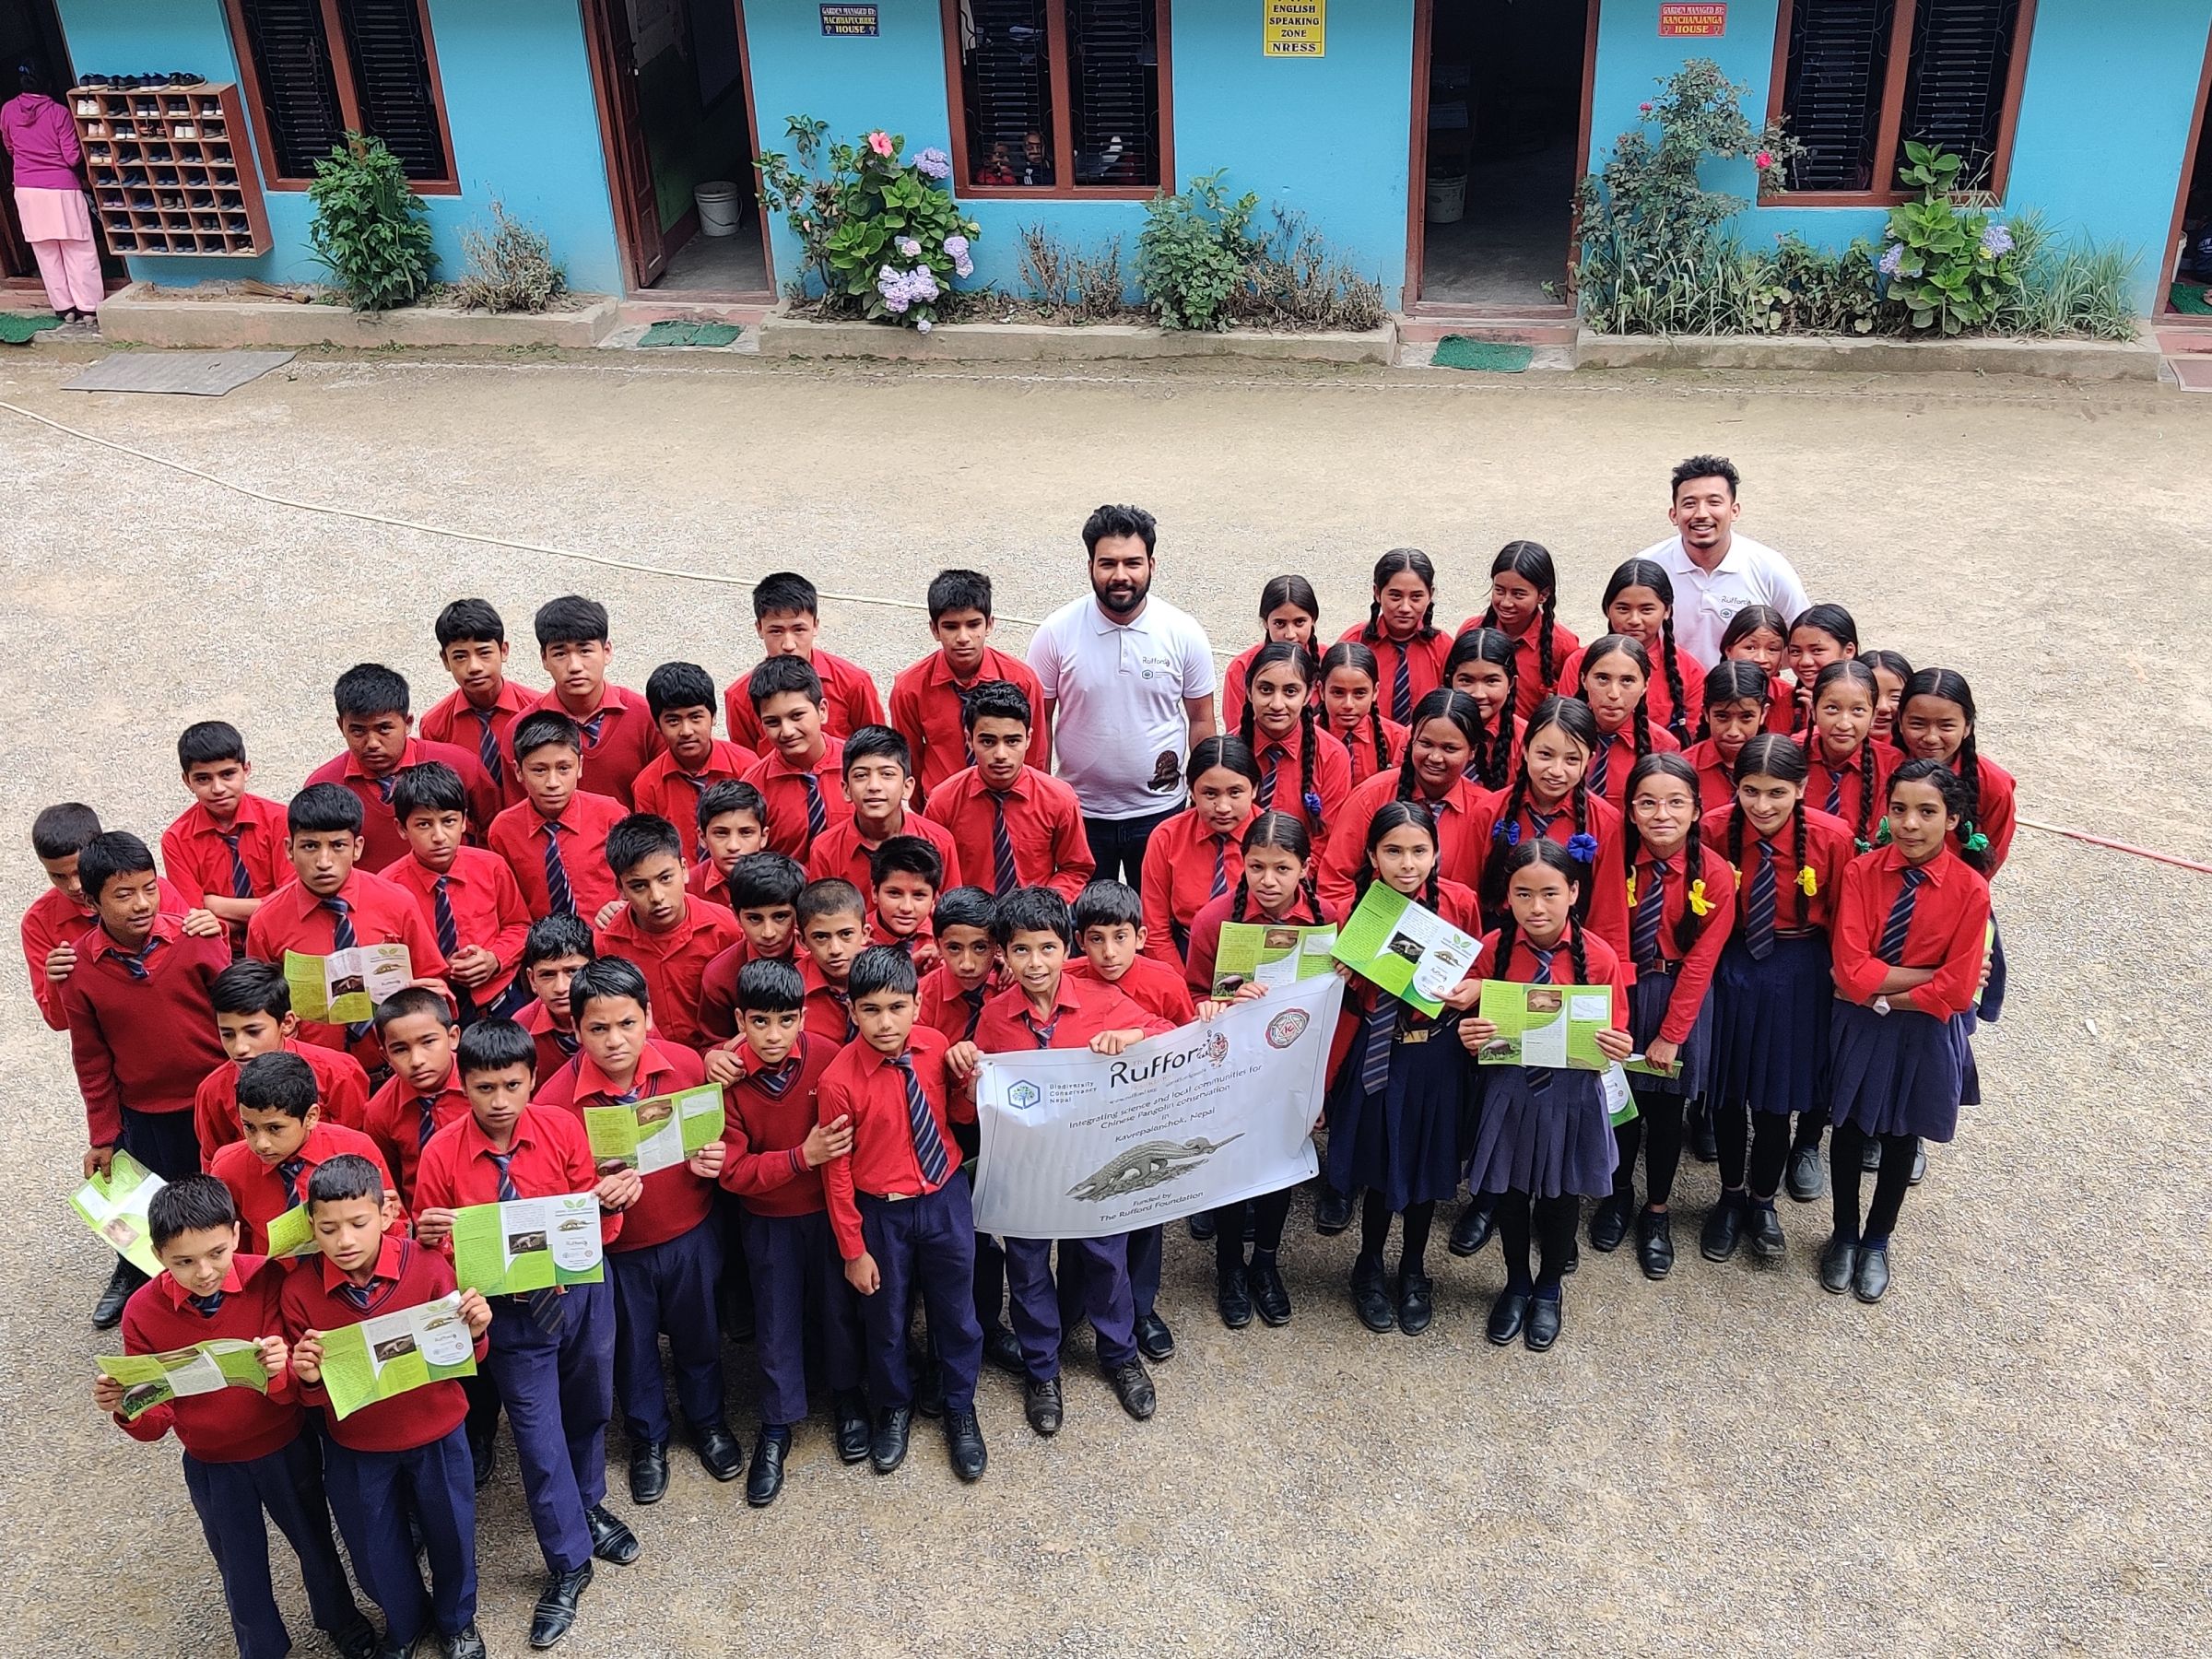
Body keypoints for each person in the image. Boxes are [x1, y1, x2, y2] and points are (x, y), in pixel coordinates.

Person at [413, 1018, 639, 1651]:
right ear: (463, 1086)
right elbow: (431, 1256)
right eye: (485, 1087)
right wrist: (429, 1237)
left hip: (581, 1297)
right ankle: (570, 1563)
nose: (500, 1100)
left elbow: (588, 1223)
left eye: (513, 1084)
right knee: (537, 1443)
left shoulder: (564, 1128)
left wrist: (610, 1201)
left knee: (592, 1406)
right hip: (511, 1318)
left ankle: (588, 1501)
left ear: (533, 1079)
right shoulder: (441, 1156)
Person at [96, 1175, 378, 1659]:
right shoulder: (142, 1312)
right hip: (212, 1461)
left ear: (236, 1234)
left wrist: (279, 1369)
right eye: (183, 1262)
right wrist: (126, 1408)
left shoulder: (266, 1279)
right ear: (158, 1255)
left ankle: (340, 1617)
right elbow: (155, 1418)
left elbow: (296, 1385)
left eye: (217, 1253)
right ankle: (261, 1645)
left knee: (314, 1542)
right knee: (239, 1563)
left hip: (284, 1446)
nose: (204, 1271)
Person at [950, 888, 1166, 1438]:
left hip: (1094, 1163)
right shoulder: (996, 1019)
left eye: (1046, 948)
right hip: (1026, 1170)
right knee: (1026, 1269)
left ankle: (1119, 1355)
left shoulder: (1101, 1000)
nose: (1035, 963)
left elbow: (1170, 1037)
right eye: (1021, 951)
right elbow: (974, 1103)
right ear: (1004, 954)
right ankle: (1041, 1369)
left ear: (1065, 946)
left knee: (1105, 1260)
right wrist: (966, 1072)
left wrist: (1134, 1034)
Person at [533, 958, 739, 1502]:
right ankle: (648, 1438)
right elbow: (550, 1192)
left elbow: (718, 1133)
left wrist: (717, 1156)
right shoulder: (554, 1102)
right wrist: (593, 1199)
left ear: (648, 1016)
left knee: (699, 1334)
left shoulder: (686, 1065)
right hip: (616, 1250)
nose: (614, 1041)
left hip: (690, 1230)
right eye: (597, 1029)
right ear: (575, 1030)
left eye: (627, 1023)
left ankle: (709, 1422)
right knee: (632, 1349)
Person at [282, 1154, 491, 1659]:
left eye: (358, 1223)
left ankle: (457, 1621)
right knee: (373, 1547)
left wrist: (478, 1331)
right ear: (312, 1226)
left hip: (437, 1429)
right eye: (329, 1229)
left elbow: (465, 1354)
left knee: (452, 1532)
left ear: (386, 1214)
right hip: (357, 1442)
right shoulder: (299, 1293)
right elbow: (308, 1392)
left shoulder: (428, 1266)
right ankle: (404, 1621)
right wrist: (306, 1375)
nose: (345, 1240)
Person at [817, 945, 988, 1481]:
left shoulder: (936, 1047)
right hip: (881, 1215)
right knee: (886, 1319)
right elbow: (836, 1172)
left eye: (896, 1007)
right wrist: (853, 1249)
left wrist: (968, 1085)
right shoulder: (838, 1081)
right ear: (851, 1010)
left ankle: (960, 1405)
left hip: (944, 1198)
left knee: (956, 1311)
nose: (884, 1022)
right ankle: (893, 1408)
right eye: (870, 1009)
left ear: (917, 1003)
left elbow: (954, 1117)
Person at [1822, 761, 1991, 1303]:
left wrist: (1882, 994)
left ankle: (1877, 1239)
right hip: (1865, 1028)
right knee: (1848, 1129)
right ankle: (1843, 1231)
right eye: (1899, 810)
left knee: (1901, 1134)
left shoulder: (1970, 889)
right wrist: (1932, 976)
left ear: (1953, 819)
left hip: (1920, 1031)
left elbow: (1960, 992)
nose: (1910, 824)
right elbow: (1849, 967)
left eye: (1926, 812)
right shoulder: (1861, 873)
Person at [1459, 839, 1633, 1352]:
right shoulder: (1494, 948)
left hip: (1569, 1095)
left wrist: (1617, 1044)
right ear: (1507, 897)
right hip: (1509, 1091)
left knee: (1559, 1197)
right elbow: (1475, 1019)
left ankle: (1550, 1288)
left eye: (1550, 893)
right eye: (1523, 894)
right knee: (1511, 1194)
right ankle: (1515, 1282)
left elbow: (1618, 1029)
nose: (1537, 907)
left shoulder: (1599, 958)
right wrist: (1470, 1034)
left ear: (1574, 893)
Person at [716, 958, 869, 1504]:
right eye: (759, 1022)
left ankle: (848, 1399)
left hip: (828, 1214)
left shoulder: (830, 1058)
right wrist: (800, 1157)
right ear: (740, 1020)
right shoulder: (729, 1077)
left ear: (804, 1016)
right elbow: (732, 1172)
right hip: (768, 1222)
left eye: (786, 1020)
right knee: (776, 1322)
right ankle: (777, 1425)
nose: (774, 1035)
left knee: (838, 1310)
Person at [1698, 736, 1855, 1263]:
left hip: (1798, 969)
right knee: (1728, 1090)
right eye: (1750, 791)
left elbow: (1842, 917)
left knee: (1775, 1099)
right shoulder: (1715, 830)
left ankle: (1763, 1200)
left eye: (1777, 793)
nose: (1762, 806)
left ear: (1802, 789)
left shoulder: (1833, 839)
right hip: (1733, 962)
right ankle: (1730, 1194)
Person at [65, 830, 232, 1324]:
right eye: (124, 895)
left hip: (213, 1102)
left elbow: (237, 1011)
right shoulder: (78, 969)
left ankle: (228, 1288)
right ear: (91, 902)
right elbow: (91, 1059)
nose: (142, 904)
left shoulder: (195, 939)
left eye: (149, 888)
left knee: (220, 1195)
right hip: (144, 1113)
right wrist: (103, 1135)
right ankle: (134, 1277)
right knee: (141, 1206)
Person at [1327, 802, 1480, 1337]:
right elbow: (1344, 1000)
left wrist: (1475, 989)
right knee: (1378, 1164)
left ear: (1437, 854)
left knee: (1424, 1163)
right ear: (1372, 856)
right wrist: (1342, 974)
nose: (1407, 863)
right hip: (1379, 1051)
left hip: (1435, 1053)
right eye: (1393, 851)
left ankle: (1414, 1268)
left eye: (1419, 850)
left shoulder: (1459, 904)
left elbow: (1480, 971)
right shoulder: (1359, 913)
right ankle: (1368, 1264)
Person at [1182, 813, 1328, 1327]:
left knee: (1278, 1165)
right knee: (1233, 1163)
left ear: (1305, 868)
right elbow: (1194, 995)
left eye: (1282, 868)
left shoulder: (1328, 921)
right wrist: (1219, 1000)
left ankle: (1265, 1262)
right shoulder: (1214, 920)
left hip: (1294, 1064)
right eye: (1256, 866)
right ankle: (1229, 1267)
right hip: (1234, 1067)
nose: (1268, 880)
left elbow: (1341, 1002)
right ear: (1240, 864)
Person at [1027, 503, 1216, 885]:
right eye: (1107, 563)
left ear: (1152, 565)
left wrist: (1204, 793)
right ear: (1090, 567)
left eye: (1133, 563)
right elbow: (1038, 723)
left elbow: (1201, 720)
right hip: (1080, 815)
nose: (1121, 576)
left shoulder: (1184, 632)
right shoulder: (1055, 632)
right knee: (1087, 932)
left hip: (1162, 812)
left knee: (1157, 923)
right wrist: (1041, 802)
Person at [1601, 755, 1735, 1279]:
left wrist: (1672, 1036)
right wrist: (1615, 1014)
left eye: (1676, 802)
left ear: (1698, 810)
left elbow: (1702, 962)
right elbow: (1604, 933)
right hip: (1623, 992)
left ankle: (1656, 1211)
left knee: (1664, 1116)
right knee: (1621, 1106)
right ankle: (1616, 1192)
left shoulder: (1718, 875)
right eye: (1648, 802)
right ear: (1630, 811)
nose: (1662, 814)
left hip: (1679, 996)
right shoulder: (1614, 859)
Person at [244, 783, 447, 1068]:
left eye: (338, 845)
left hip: (397, 1069)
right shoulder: (267, 921)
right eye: (310, 846)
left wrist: (432, 992)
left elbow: (435, 981)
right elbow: (259, 1008)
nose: (324, 862)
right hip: (312, 1074)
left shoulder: (398, 902)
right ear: (290, 850)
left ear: (357, 848)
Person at [304, 664, 498, 873]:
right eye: (358, 731)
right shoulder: (323, 787)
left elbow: (493, 830)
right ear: (341, 726)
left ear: (408, 723)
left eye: (384, 728)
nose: (372, 743)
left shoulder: (460, 765)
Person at [25, 801, 196, 1033]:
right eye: (58, 876)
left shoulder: (151, 893)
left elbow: (193, 959)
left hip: (182, 1021)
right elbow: (58, 1021)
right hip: (118, 1036)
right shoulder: (38, 922)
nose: (74, 886)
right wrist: (56, 983)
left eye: (78, 871)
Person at [382, 761, 534, 1023]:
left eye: (449, 821)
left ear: (464, 821)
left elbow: (519, 925)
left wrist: (494, 958)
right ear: (401, 829)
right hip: (430, 1013)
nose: (439, 836)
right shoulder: (387, 887)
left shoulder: (491, 867)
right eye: (423, 825)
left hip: (500, 1003)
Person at [1318, 690, 1497, 912]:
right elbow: (1335, 884)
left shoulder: (1486, 809)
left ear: (1472, 752)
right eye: (1426, 744)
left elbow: (1486, 899)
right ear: (1411, 740)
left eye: (1450, 748)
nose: (1435, 757)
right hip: (1370, 925)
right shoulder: (1371, 796)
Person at [209, 1051, 400, 1253]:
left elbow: (395, 1230)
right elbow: (231, 1247)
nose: (261, 1143)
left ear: (311, 1117)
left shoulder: (356, 1149)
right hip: (275, 1280)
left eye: (275, 1128)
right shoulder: (228, 1168)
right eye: (249, 1127)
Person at [924, 679, 1094, 902]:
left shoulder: (1059, 799)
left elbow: (1075, 867)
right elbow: (928, 875)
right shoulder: (943, 801)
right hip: (967, 926)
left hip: (1035, 927)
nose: (1001, 754)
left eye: (1012, 741)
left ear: (1029, 739)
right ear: (969, 739)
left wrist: (1042, 906)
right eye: (988, 741)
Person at [1634, 455, 1811, 668]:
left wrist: (1757, 674)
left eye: (1714, 502)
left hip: (1744, 700)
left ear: (1734, 511)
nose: (1701, 514)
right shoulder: (1646, 568)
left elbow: (1803, 642)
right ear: (1674, 514)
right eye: (1689, 504)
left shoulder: (1770, 568)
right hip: (1667, 698)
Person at [889, 568, 1045, 806]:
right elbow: (910, 758)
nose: (963, 637)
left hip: (1008, 804)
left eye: (973, 625)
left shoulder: (1021, 680)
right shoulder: (910, 688)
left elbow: (1035, 756)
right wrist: (928, 813)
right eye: (951, 627)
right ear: (934, 629)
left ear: (989, 625)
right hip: (943, 808)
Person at [194, 959, 372, 1166]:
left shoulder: (338, 1073)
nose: (240, 1047)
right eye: (228, 1034)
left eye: (253, 1032)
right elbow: (215, 1162)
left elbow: (359, 1148)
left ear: (287, 1023)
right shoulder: (212, 1092)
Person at [593, 813, 742, 1051]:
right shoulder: (607, 943)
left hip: (721, 1060)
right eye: (639, 886)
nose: (657, 896)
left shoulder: (727, 928)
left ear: (684, 870)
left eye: (665, 878)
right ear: (620, 888)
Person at [487, 712, 628, 923]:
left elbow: (636, 878)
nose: (553, 782)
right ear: (518, 771)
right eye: (539, 770)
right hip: (542, 948)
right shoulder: (504, 830)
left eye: (563, 768)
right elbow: (509, 906)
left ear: (579, 766)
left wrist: (622, 906)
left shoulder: (611, 815)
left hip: (607, 935)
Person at [724, 571, 886, 754]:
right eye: (776, 631)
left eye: (799, 629)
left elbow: (877, 751)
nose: (788, 644)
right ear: (759, 629)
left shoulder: (854, 682)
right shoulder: (738, 697)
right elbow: (746, 762)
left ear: (815, 625)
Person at [162, 721, 288, 947]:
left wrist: (214, 905)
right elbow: (195, 922)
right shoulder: (176, 840)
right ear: (186, 781)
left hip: (281, 943)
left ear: (246, 770)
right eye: (203, 778)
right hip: (220, 951)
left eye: (228, 774)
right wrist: (260, 910)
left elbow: (290, 905)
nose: (218, 788)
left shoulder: (281, 821)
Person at [532, 595, 663, 807]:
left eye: (585, 650)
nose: (574, 665)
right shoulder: (524, 727)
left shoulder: (644, 717)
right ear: (544, 659)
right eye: (560, 653)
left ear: (607, 651)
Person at [1140, 735, 1261, 965]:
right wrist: (1182, 989)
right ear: (1192, 792)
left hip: (1258, 955)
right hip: (1188, 953)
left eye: (1235, 792)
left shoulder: (1272, 838)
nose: (1223, 807)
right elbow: (1155, 932)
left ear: (1254, 789)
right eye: (1210, 794)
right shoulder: (1167, 838)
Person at [1559, 559, 1705, 746]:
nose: (1634, 620)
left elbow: (1689, 739)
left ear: (1667, 610)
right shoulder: (1579, 662)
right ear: (1607, 610)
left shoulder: (1690, 670)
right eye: (1623, 608)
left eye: (1646, 609)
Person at [2, 59, 101, 326]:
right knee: (78, 249)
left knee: (45, 252)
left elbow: (10, 147)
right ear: (47, 83)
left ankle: (64, 308)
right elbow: (71, 157)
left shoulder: (7, 111)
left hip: (27, 190)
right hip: (61, 189)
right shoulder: (59, 113)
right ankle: (89, 308)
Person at [806, 725, 962, 892]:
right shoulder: (825, 849)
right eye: (861, 775)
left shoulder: (939, 841)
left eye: (887, 774)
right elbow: (822, 916)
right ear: (846, 790)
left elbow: (952, 914)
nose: (874, 786)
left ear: (907, 787)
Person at [629, 663, 753, 864]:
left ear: (713, 717)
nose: (686, 731)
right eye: (673, 720)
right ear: (657, 725)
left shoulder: (747, 766)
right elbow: (653, 852)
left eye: (695, 717)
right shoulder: (648, 785)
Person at [419, 598, 535, 809]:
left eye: (484, 653)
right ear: (445, 660)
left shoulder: (538, 710)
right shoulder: (435, 726)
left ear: (504, 651)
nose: (474, 667)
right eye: (460, 656)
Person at [360, 985, 469, 1207]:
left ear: (453, 1037)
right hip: (425, 1222)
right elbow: (390, 1181)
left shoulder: (486, 1087)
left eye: (428, 1042)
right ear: (386, 1056)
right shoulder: (380, 1110)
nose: (417, 1060)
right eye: (400, 1049)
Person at [1236, 642, 1351, 850]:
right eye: (1265, 689)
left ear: (1308, 694)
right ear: (1249, 691)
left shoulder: (1332, 755)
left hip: (1304, 875)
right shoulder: (1230, 752)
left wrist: (1293, 879)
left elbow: (1327, 838)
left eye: (1290, 691)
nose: (1277, 704)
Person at [740, 656, 851, 859]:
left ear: (823, 711)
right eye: (773, 722)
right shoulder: (753, 786)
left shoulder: (859, 767)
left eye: (797, 716)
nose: (787, 731)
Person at [696, 852, 806, 1044]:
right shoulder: (720, 976)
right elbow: (712, 1044)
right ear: (736, 915)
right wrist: (716, 1057)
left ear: (798, 913)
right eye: (754, 918)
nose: (768, 932)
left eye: (780, 916)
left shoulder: (822, 959)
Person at [1570, 635, 1680, 812]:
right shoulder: (1561, 734)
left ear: (1645, 685)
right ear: (1583, 679)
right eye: (1602, 678)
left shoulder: (1662, 745)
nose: (1614, 693)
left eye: (1627, 680)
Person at [1339, 548, 1450, 725]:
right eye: (1395, 596)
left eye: (1416, 597)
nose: (1405, 607)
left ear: (1430, 595)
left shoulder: (1443, 647)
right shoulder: (1354, 643)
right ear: (1377, 593)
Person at [1468, 541, 1576, 720]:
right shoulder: (1472, 631)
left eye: (1518, 594)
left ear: (1543, 595)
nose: (1506, 602)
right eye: (1499, 590)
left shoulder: (1563, 645)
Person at [1801, 661, 1893, 849]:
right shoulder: (1790, 753)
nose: (1844, 724)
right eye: (1832, 708)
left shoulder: (1891, 764)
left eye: (1858, 710)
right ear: (1813, 710)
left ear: (1874, 716)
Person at [1219, 575, 1322, 735]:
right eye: (1280, 623)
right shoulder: (1240, 669)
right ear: (1266, 622)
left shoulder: (1330, 661)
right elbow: (1236, 734)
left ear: (1313, 620)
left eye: (1299, 622)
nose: (1290, 634)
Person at [1317, 641, 1406, 789]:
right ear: (1321, 690)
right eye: (1338, 692)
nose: (1348, 704)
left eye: (1359, 693)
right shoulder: (1306, 736)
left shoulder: (1398, 739)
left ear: (1375, 691)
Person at [1443, 628, 1523, 790]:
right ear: (1450, 680)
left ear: (1511, 684)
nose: (1478, 694)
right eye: (1466, 680)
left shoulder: (1527, 740)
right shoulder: (1421, 732)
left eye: (1491, 681)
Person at [1686, 662, 1770, 812]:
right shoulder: (1685, 768)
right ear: (1706, 713)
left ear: (1763, 714)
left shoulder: (1782, 764)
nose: (1733, 731)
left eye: (1746, 717)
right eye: (1722, 717)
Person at [865, 836, 943, 969]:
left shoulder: (946, 939)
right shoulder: (855, 940)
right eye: (894, 893)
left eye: (919, 895)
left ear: (934, 898)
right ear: (874, 892)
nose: (906, 907)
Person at [1717, 604, 1797, 734]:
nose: (1761, 658)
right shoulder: (1706, 691)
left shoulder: (1792, 700)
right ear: (1729, 650)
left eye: (1772, 649)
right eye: (1750, 648)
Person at [687, 780, 770, 901]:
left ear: (763, 837)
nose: (733, 846)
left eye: (746, 833)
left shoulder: (790, 881)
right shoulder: (687, 887)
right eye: (721, 833)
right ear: (703, 838)